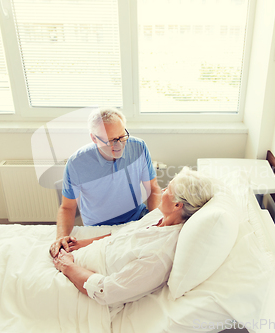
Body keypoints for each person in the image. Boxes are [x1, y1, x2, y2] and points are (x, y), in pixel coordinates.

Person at [52, 167, 214, 318]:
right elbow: (123, 234)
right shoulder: (158, 215)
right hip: (86, 256)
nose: (162, 191)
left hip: (83, 278)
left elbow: (106, 290)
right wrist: (83, 243)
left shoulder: (159, 255)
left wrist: (67, 266)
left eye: (167, 189)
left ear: (177, 205)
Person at [49, 107, 162, 258]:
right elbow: (67, 207)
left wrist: (155, 219)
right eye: (111, 141)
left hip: (137, 218)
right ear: (94, 138)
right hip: (99, 227)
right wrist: (60, 237)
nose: (119, 145)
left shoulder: (138, 147)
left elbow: (153, 189)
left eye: (122, 137)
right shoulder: (76, 163)